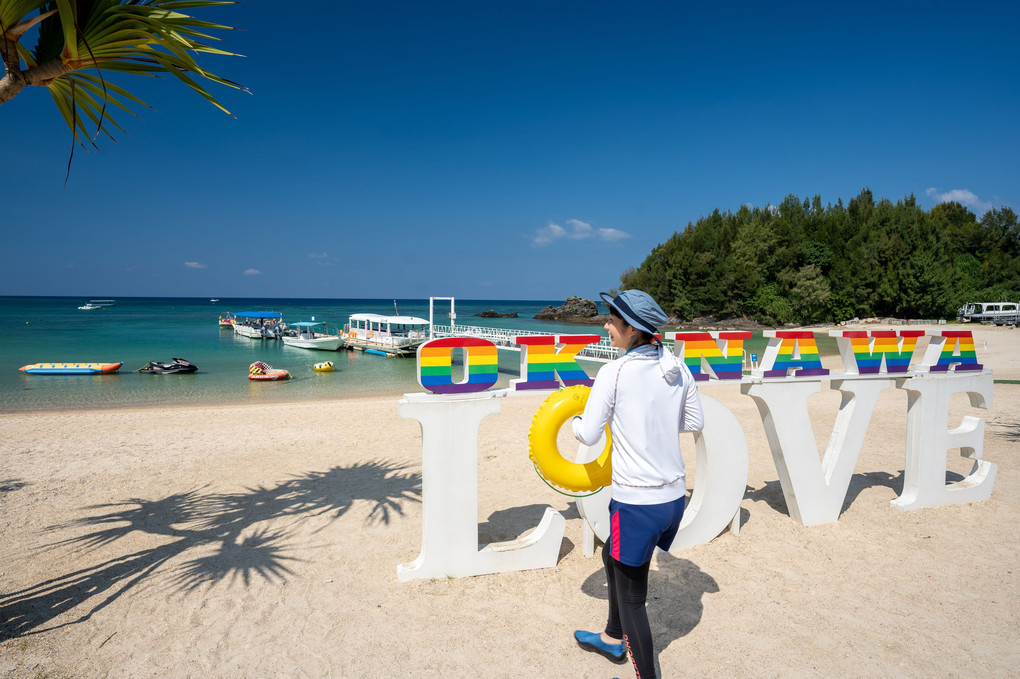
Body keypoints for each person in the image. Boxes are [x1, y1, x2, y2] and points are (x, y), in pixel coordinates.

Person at [571, 289, 704, 679]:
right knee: (610, 554)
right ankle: (613, 638)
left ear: (632, 329)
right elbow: (695, 422)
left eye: (612, 319)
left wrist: (578, 421)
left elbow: (589, 434)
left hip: (636, 504)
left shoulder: (613, 372)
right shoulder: (677, 367)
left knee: (633, 600)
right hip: (672, 498)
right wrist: (654, 424)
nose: (606, 325)